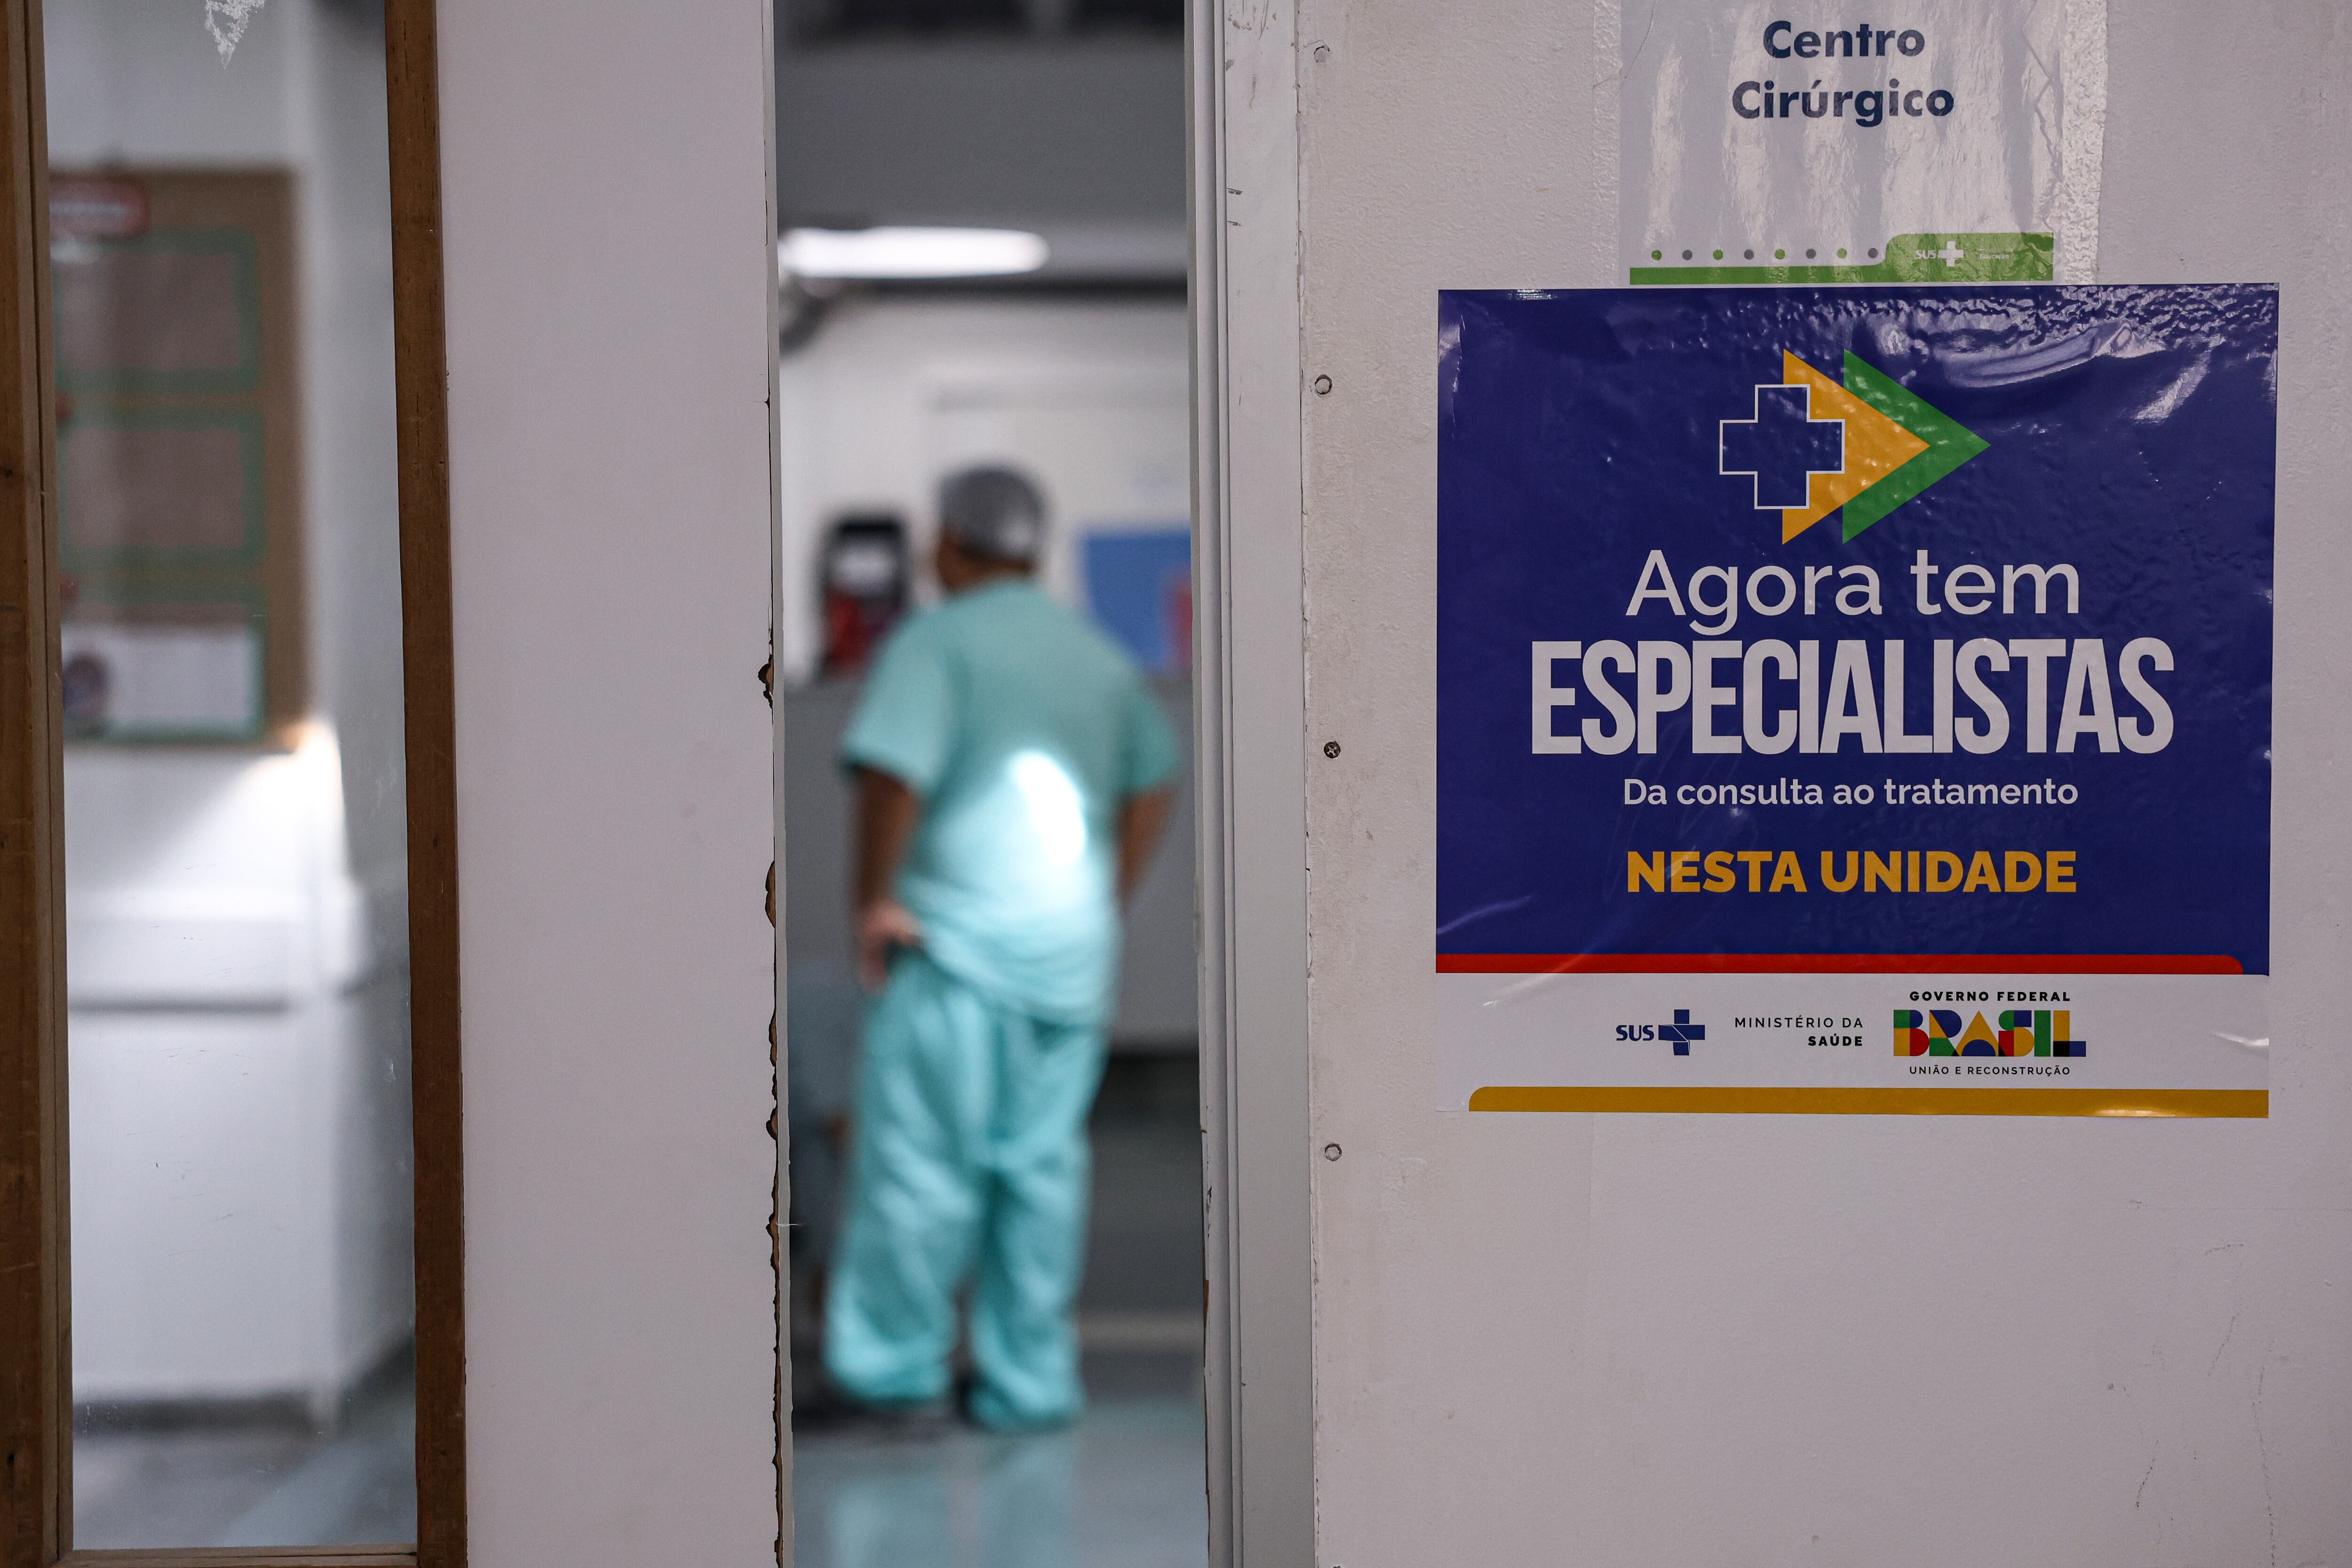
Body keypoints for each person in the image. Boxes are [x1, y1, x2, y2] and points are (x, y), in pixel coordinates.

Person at [822, 465, 1179, 1432]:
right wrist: (1104, 893)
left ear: (947, 543)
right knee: (1039, 1171)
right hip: (1067, 954)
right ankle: (1029, 1382)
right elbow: (1156, 776)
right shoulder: (1093, 654)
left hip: (955, 947)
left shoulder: (934, 643)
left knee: (921, 1165)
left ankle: (895, 1372)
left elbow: (894, 774)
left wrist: (872, 900)